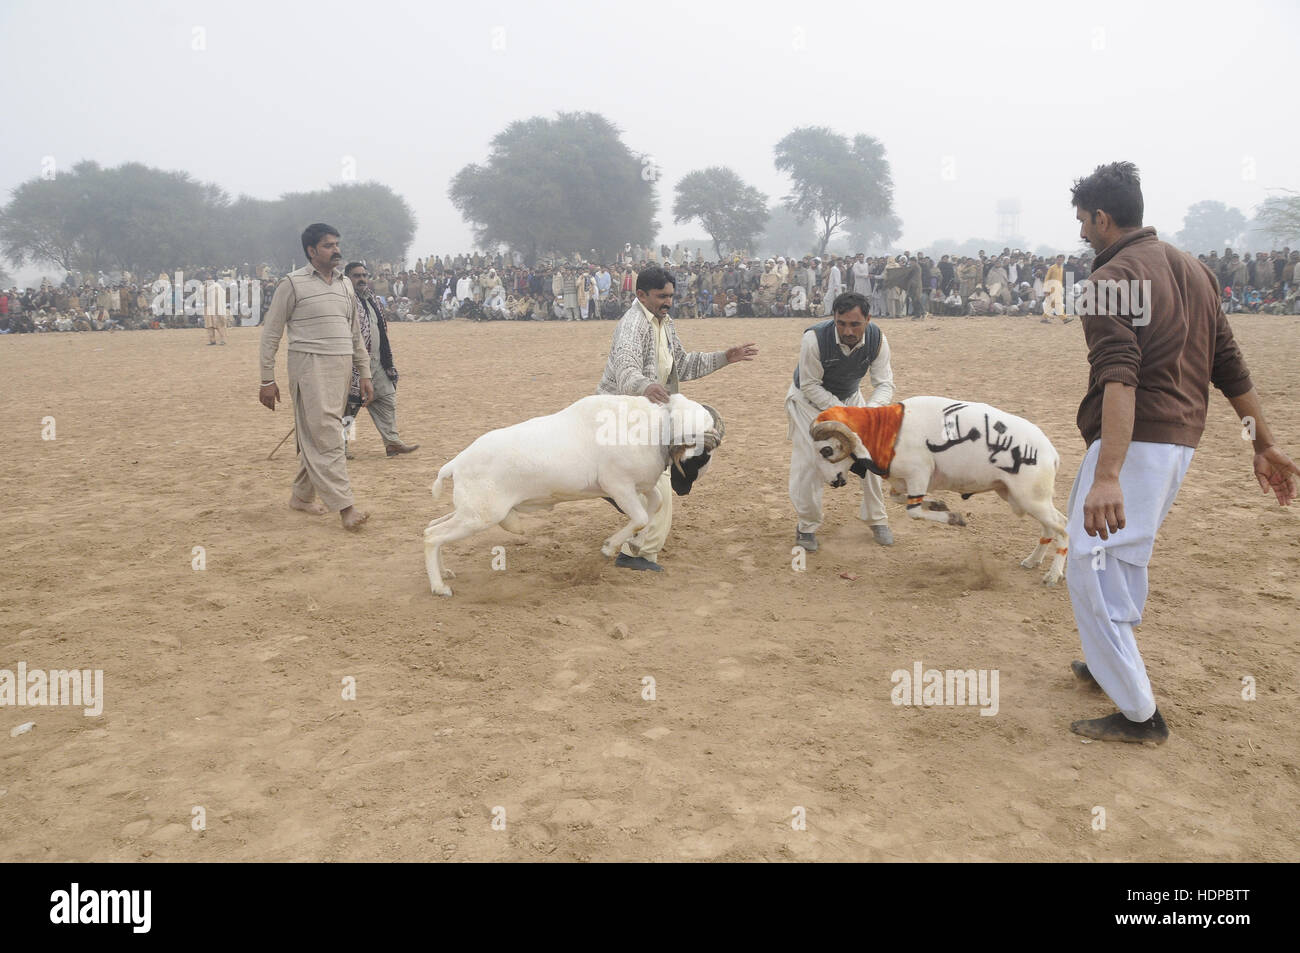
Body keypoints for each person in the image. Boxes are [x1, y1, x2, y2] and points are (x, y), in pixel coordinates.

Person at [1063, 162, 1299, 744]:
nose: (1082, 233)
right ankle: (1105, 664)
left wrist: (1109, 474)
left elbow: (1120, 377)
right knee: (1122, 555)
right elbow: (1229, 364)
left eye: (1083, 223)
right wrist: (1262, 443)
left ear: (1102, 217)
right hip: (1178, 444)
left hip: (1135, 443)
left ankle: (1140, 716)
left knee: (1089, 565)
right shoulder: (1192, 268)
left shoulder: (1110, 279)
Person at [596, 266, 758, 571]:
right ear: (640, 295)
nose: (668, 302)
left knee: (663, 480)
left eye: (671, 295)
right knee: (659, 484)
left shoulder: (665, 323)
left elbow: (681, 365)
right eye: (661, 296)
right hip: (620, 414)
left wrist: (725, 357)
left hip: (648, 414)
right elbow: (626, 371)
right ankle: (638, 554)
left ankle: (635, 537)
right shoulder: (632, 326)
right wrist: (646, 385)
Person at [259, 224, 373, 531]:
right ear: (311, 251)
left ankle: (300, 496)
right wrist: (267, 380)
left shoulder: (345, 284)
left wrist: (364, 373)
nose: (336, 250)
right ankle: (346, 507)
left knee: (320, 430)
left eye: (336, 244)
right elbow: (271, 333)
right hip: (308, 365)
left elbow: (354, 334)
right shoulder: (292, 284)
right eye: (327, 245)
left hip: (341, 366)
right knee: (328, 433)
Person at [786, 291, 895, 552]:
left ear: (867, 319)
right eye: (841, 323)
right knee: (811, 463)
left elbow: (884, 384)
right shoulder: (814, 339)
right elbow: (810, 386)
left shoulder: (878, 339)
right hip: (808, 404)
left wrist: (869, 413)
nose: (847, 331)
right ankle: (807, 526)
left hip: (851, 399)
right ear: (834, 319)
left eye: (855, 324)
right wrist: (846, 414)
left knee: (869, 456)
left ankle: (877, 519)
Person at [343, 262, 419, 459]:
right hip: (353, 364)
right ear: (347, 278)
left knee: (387, 399)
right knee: (349, 408)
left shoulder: (373, 300)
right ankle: (340, 447)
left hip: (378, 361)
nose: (361, 279)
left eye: (364, 275)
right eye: (356, 275)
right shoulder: (343, 301)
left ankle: (392, 442)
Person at [203, 273, 228, 345]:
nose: (209, 280)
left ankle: (223, 340)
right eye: (207, 279)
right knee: (209, 326)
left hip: (217, 309)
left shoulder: (217, 287)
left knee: (219, 325)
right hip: (208, 309)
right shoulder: (205, 287)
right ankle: (212, 340)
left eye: (210, 279)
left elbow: (220, 299)